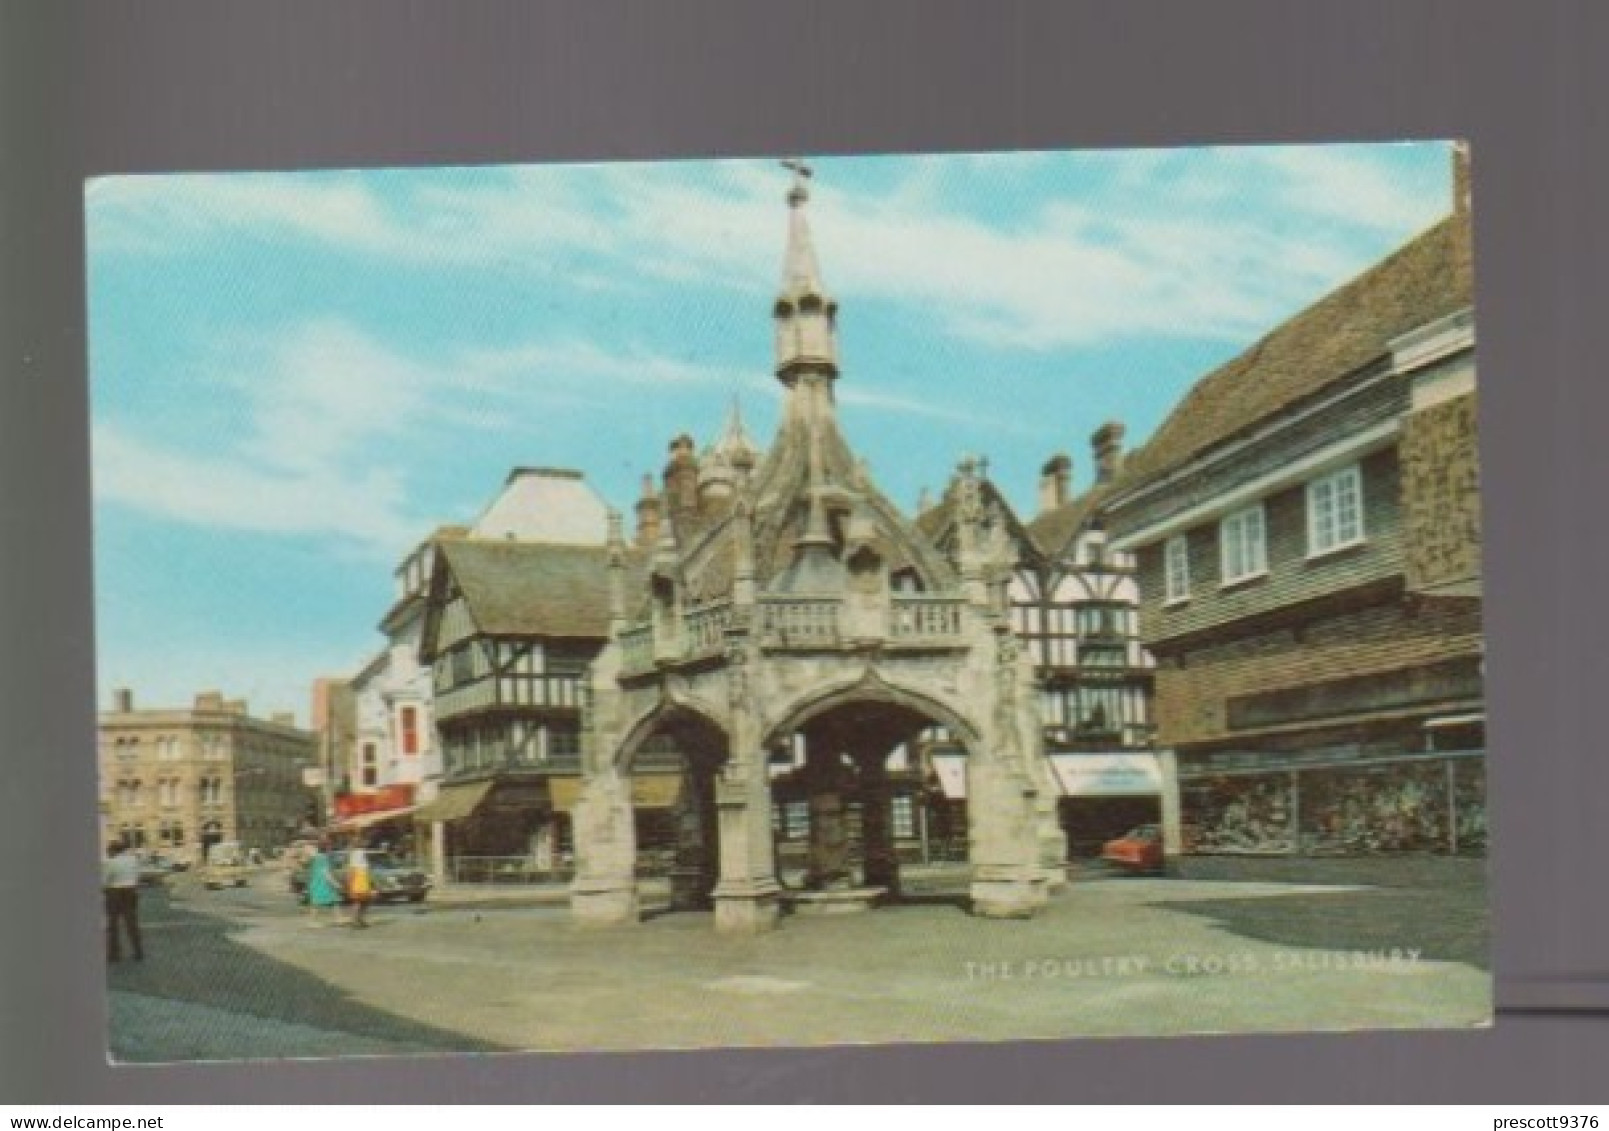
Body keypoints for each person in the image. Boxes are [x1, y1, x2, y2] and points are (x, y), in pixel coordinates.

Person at [103, 840, 143, 961]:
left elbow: (106, 879)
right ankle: (138, 951)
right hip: (130, 891)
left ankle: (114, 954)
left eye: (109, 850)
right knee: (132, 923)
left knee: (113, 924)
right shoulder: (133, 860)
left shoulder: (111, 862)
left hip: (115, 892)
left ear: (113, 850)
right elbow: (137, 875)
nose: (108, 853)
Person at [305, 839, 345, 927]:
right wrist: (335, 883)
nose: (330, 848)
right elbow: (326, 873)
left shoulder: (316, 857)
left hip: (316, 882)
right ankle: (312, 922)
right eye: (329, 846)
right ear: (325, 848)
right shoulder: (323, 858)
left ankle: (338, 918)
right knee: (319, 902)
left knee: (332, 901)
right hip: (323, 883)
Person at [345, 844, 374, 929]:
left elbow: (368, 874)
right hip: (357, 885)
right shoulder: (354, 863)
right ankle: (355, 921)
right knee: (357, 903)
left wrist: (372, 884)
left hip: (364, 885)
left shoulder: (364, 864)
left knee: (365, 903)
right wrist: (349, 885)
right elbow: (350, 875)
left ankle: (360, 919)